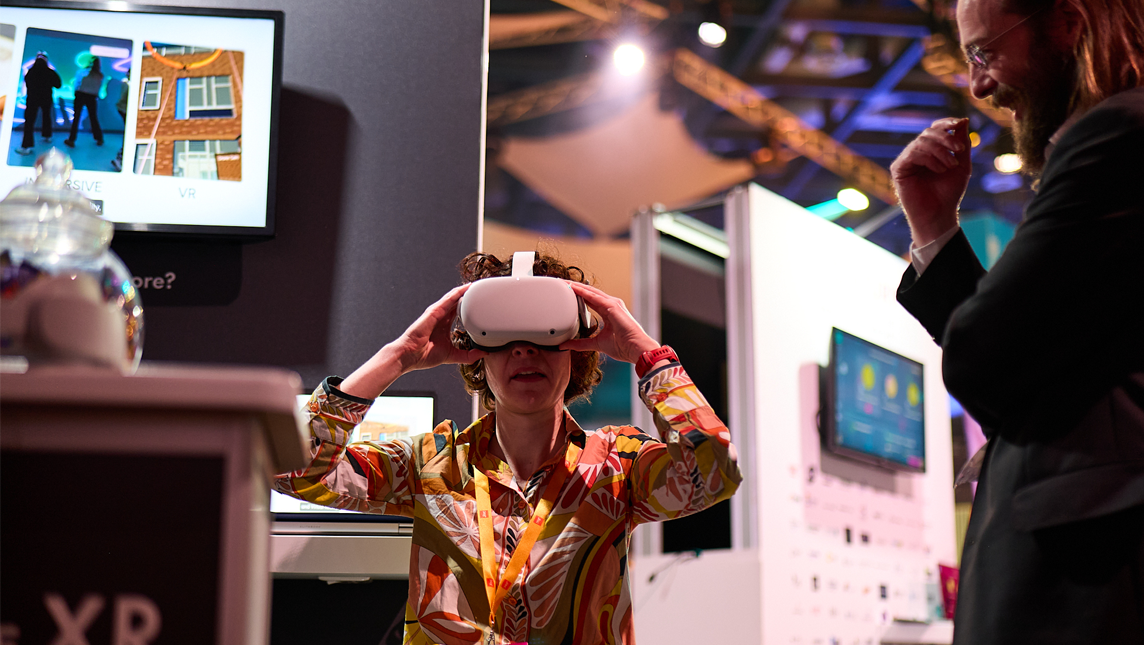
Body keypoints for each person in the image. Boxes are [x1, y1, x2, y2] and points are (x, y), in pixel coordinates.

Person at [274, 252, 741, 645]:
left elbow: (715, 471)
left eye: (545, 336)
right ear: (477, 354)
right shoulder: (430, 465)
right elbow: (291, 470)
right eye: (502, 339)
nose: (524, 351)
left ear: (576, 348)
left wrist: (647, 355)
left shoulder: (618, 467)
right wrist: (399, 356)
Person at [889, 0, 1144, 642]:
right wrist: (935, 229)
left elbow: (985, 356)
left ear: (1068, 23)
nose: (978, 85)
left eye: (984, 52)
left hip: (1091, 588)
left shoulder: (1118, 135)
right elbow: (1021, 364)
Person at [16, 52, 61, 156]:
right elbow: (58, 85)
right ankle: (47, 136)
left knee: (29, 122)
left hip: (32, 99)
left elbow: (27, 83)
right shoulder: (50, 72)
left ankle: (26, 146)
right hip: (46, 98)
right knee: (46, 116)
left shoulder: (31, 72)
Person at [65, 57, 104, 148]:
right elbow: (98, 87)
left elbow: (77, 84)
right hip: (92, 97)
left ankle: (71, 140)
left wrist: (76, 93)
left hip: (81, 95)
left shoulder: (82, 72)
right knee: (93, 117)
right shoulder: (100, 75)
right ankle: (99, 138)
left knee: (76, 118)